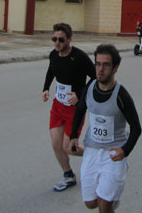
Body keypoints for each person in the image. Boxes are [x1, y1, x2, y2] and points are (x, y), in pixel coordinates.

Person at [68, 44, 142, 212]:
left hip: (113, 154)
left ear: (115, 68)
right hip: (92, 151)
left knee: (104, 202)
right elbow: (80, 109)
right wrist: (73, 136)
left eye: (106, 65)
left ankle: (110, 196)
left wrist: (125, 150)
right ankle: (109, 198)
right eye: (98, 64)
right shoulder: (90, 87)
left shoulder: (121, 95)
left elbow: (136, 128)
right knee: (90, 203)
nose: (100, 69)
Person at [42, 23, 96, 192]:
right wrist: (45, 88)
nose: (57, 43)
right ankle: (68, 175)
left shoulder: (79, 57)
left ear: (69, 40)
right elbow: (51, 71)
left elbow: (95, 77)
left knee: (70, 148)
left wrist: (79, 94)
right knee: (56, 144)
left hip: (75, 109)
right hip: (58, 105)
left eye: (61, 39)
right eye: (54, 39)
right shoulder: (54, 55)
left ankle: (98, 156)